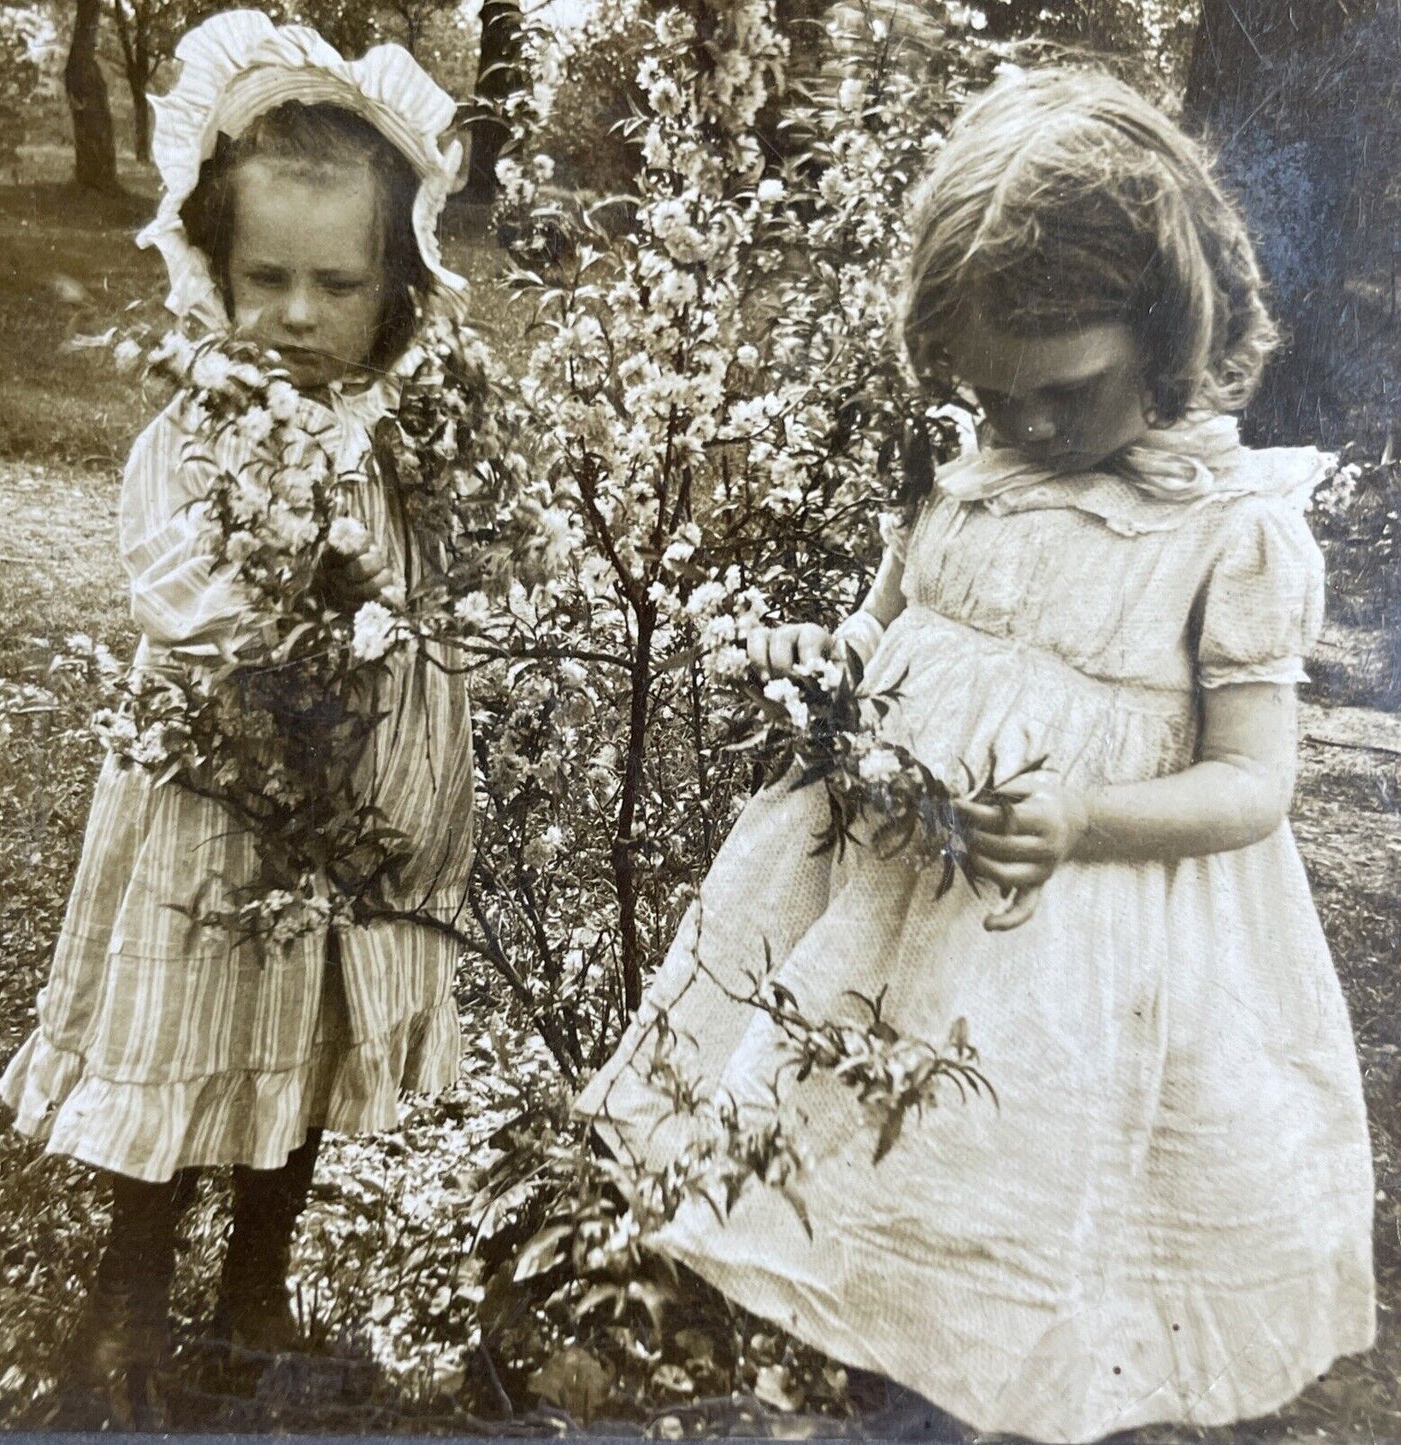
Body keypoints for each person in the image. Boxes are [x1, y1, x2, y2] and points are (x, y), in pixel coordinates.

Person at [577, 66, 1375, 1442]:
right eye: (993, 397)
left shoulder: (1225, 532)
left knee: (1010, 1248)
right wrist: (819, 672)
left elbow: (1253, 785)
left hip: (1075, 974)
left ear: (1167, 331)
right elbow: (885, 636)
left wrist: (1080, 815)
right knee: (877, 1218)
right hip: (886, 937)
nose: (1029, 429)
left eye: (1060, 392)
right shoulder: (961, 467)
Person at [0, 10, 472, 1416]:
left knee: (313, 1033)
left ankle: (257, 1277)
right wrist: (298, 609)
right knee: (183, 1026)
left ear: (395, 286)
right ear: (209, 266)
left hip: (353, 799)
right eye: (266, 276)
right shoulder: (186, 432)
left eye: (339, 283)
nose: (299, 315)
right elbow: (175, 590)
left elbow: (435, 586)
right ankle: (125, 1291)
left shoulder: (395, 438)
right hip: (217, 795)